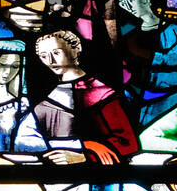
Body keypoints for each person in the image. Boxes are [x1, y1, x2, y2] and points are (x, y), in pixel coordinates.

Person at [32, 30, 139, 163]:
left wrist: (85, 155)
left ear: (76, 50)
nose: (51, 61)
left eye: (56, 53)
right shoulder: (48, 96)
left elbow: (127, 142)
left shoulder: (100, 93)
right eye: (43, 56)